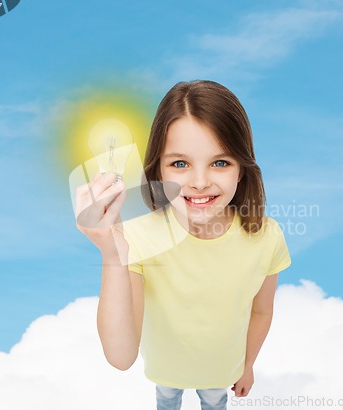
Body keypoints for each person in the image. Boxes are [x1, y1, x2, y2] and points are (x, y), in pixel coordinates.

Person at [75, 80, 291, 410]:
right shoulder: (137, 238)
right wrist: (112, 251)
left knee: (214, 399)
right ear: (157, 169)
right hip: (165, 370)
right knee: (167, 397)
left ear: (242, 169)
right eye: (180, 164)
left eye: (220, 162)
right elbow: (121, 357)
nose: (200, 182)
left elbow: (261, 310)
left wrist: (247, 366)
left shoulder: (267, 237)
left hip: (222, 373)